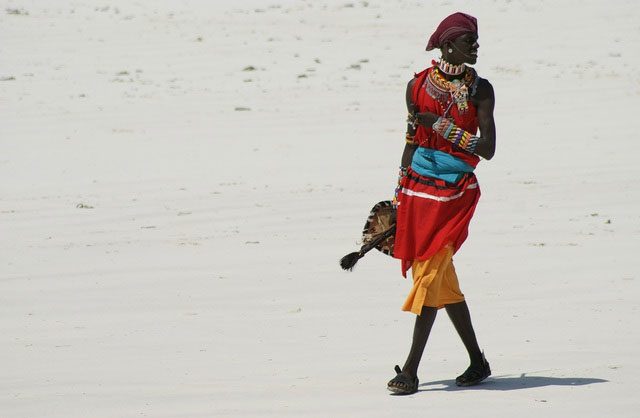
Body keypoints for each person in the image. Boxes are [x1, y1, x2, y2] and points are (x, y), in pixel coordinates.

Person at [387, 12, 496, 395]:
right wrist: (398, 195)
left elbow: (487, 149)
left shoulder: (482, 91)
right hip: (417, 191)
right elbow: (411, 140)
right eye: (469, 41)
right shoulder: (416, 86)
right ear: (448, 45)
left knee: (430, 275)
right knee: (442, 280)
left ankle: (411, 371)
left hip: (454, 194)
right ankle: (478, 363)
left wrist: (442, 126)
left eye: (476, 40)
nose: (476, 46)